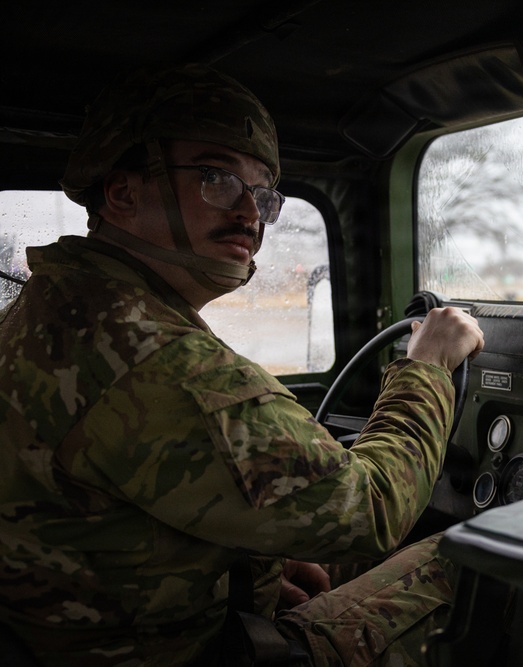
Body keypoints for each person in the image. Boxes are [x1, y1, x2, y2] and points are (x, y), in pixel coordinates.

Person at [0, 63, 484, 666]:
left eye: (262, 194)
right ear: (123, 192)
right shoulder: (156, 358)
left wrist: (251, 569)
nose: (249, 215)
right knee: (486, 553)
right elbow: (374, 508)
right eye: (216, 178)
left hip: (100, 625)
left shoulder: (57, 306)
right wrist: (429, 364)